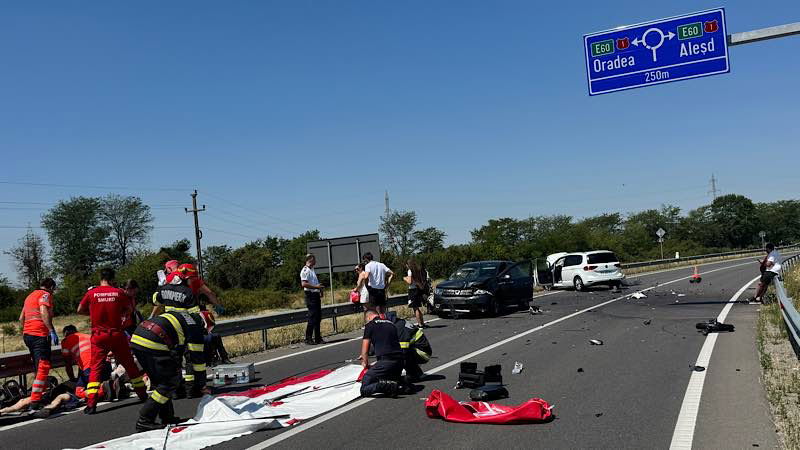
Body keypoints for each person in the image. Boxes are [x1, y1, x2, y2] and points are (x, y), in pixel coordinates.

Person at [77, 268, 147, 414]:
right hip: (116, 333)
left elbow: (79, 310)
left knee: (95, 368)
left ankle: (91, 404)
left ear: (100, 278)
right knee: (129, 364)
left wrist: (92, 312)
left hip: (98, 335)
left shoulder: (91, 293)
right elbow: (129, 310)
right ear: (113, 278)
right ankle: (142, 394)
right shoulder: (119, 292)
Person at [130, 308, 211, 431]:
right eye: (206, 331)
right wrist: (201, 386)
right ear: (204, 324)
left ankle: (167, 417)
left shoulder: (184, 316)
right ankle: (144, 420)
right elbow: (197, 362)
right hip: (153, 341)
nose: (204, 334)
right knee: (169, 382)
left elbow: (176, 350)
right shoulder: (195, 328)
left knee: (161, 382)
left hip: (138, 338)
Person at [19, 278, 58, 409]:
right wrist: (51, 330)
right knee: (43, 366)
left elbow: (21, 318)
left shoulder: (29, 296)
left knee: (38, 366)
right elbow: (43, 311)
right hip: (39, 335)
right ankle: (35, 402)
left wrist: (26, 331)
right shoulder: (45, 295)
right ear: (51, 287)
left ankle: (41, 393)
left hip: (28, 335)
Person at [360, 307, 405, 398]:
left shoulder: (370, 325)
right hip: (399, 362)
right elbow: (387, 342)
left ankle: (387, 386)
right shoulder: (391, 324)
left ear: (368, 317)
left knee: (365, 387)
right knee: (387, 378)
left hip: (386, 363)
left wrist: (365, 363)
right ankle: (399, 383)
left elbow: (365, 350)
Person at [300, 254, 325, 345]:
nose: (315, 261)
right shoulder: (305, 270)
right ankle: (308, 338)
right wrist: (316, 287)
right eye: (314, 259)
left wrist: (319, 289)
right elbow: (304, 284)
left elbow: (315, 283)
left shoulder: (312, 270)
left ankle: (318, 337)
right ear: (310, 260)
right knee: (312, 317)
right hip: (310, 295)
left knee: (318, 317)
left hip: (315, 294)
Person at [404, 259, 429, 328]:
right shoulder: (417, 270)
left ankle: (420, 324)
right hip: (418, 289)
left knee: (415, 308)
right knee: (417, 308)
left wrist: (405, 278)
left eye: (406, 265)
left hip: (412, 290)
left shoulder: (410, 271)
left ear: (408, 265)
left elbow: (410, 282)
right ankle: (422, 323)